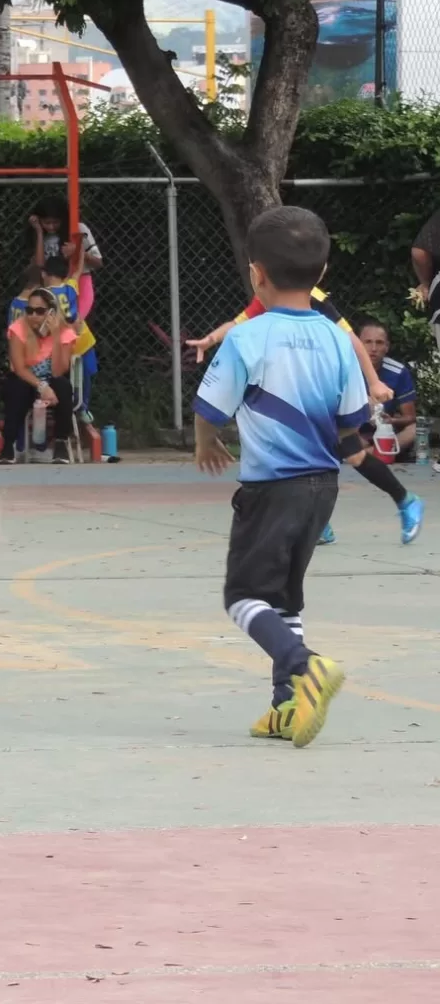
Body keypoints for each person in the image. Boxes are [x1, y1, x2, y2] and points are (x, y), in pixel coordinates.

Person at [193, 206, 366, 748]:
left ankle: (303, 666)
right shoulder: (338, 338)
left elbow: (211, 408)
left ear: (256, 274)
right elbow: (352, 421)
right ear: (322, 272)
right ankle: (286, 704)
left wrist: (205, 441)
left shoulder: (247, 339)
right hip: (324, 489)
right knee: (285, 598)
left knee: (244, 597)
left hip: (271, 488)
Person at [188, 284, 424, 546]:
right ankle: (326, 522)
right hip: (295, 386)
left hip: (321, 382)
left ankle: (401, 502)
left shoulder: (310, 295)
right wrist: (210, 340)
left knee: (331, 451)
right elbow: (237, 322)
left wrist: (373, 382)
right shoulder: (268, 294)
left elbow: (351, 339)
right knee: (347, 453)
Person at [0, 286, 76, 466]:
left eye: (39, 311)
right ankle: (8, 445)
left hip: (52, 382)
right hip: (27, 380)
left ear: (51, 313)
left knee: (63, 386)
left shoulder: (64, 332)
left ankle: (61, 443)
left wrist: (55, 335)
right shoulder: (18, 329)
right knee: (16, 388)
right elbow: (18, 368)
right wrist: (42, 387)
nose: (33, 315)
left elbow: (58, 371)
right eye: (29, 310)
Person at [358, 319, 418, 459]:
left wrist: (392, 421)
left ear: (387, 346)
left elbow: (410, 417)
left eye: (379, 343)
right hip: (354, 434)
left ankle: (367, 456)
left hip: (385, 433)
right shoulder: (344, 370)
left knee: (414, 430)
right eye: (367, 342)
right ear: (357, 345)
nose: (373, 348)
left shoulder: (398, 371)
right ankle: (377, 454)